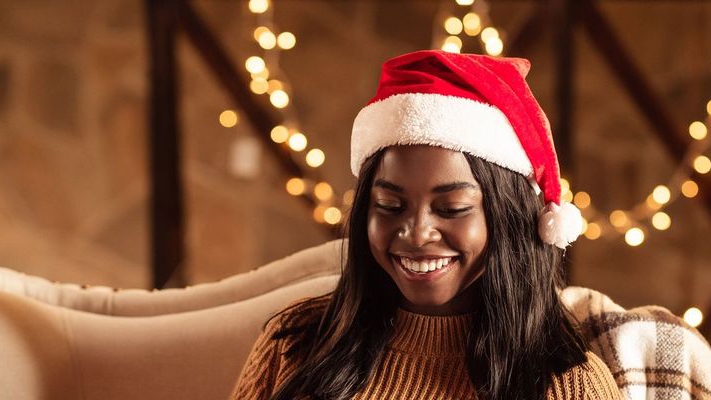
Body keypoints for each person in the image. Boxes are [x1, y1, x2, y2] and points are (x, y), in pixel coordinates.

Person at [232, 50, 620, 399]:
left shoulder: (571, 385)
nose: (417, 233)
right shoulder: (295, 342)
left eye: (451, 208)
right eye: (389, 205)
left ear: (509, 219)